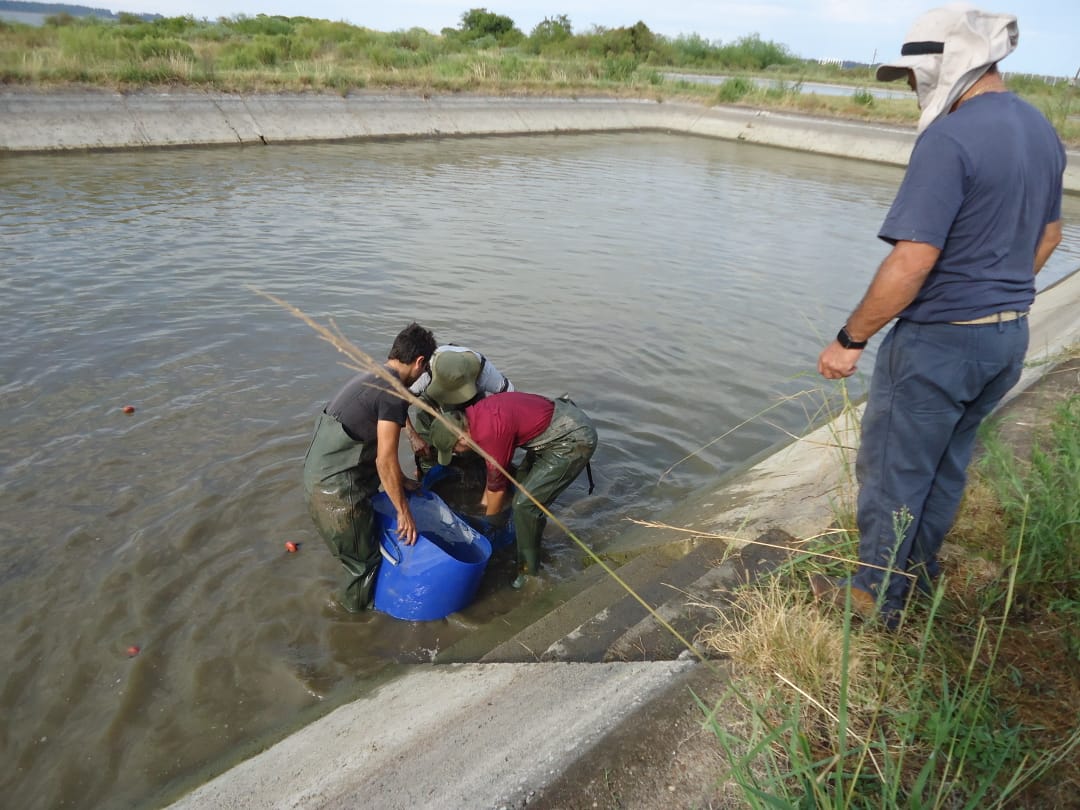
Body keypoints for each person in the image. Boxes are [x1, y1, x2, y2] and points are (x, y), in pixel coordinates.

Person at [813, 5, 1065, 627]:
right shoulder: (1040, 130)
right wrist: (996, 293)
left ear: (947, 64)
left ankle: (873, 602)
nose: (909, 89)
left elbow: (912, 261)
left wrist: (850, 339)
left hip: (939, 345)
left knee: (894, 473)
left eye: (910, 76)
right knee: (946, 467)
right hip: (1006, 337)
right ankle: (915, 581)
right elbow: (1052, 236)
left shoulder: (949, 138)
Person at [303, 323, 438, 612]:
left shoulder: (374, 374)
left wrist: (400, 480)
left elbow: (376, 444)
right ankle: (350, 623)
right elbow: (385, 459)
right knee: (363, 564)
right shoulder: (394, 393)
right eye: (424, 370)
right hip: (336, 492)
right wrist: (404, 513)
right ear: (419, 362)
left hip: (317, 477)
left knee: (357, 551)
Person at [428, 391, 597, 589]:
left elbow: (497, 489)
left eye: (454, 449)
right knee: (520, 483)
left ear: (462, 438)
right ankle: (527, 535)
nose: (456, 453)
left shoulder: (489, 432)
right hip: (556, 423)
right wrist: (483, 505)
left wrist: (489, 526)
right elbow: (495, 479)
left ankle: (528, 573)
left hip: (572, 438)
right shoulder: (476, 415)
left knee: (525, 506)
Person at [405, 345, 514, 469]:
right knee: (427, 451)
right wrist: (412, 436)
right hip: (433, 402)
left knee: (472, 454)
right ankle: (427, 469)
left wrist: (498, 441)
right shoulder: (426, 371)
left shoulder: (485, 373)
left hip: (470, 405)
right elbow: (396, 404)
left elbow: (513, 404)